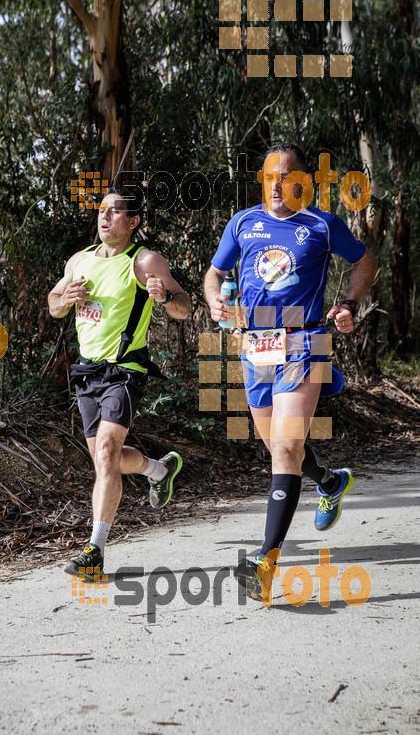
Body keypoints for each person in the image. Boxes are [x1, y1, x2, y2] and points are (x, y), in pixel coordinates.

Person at [204, 143, 378, 600]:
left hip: (306, 342)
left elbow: (366, 261)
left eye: (286, 177)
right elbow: (214, 273)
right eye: (268, 178)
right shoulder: (242, 223)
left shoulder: (321, 224)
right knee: (283, 451)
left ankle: (265, 561)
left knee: (285, 446)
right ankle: (330, 481)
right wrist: (215, 300)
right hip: (255, 348)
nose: (276, 185)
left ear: (303, 181)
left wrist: (349, 305)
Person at [48, 187, 189, 577]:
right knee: (105, 459)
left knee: (108, 450)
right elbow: (53, 304)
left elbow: (184, 307)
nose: (104, 217)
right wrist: (65, 299)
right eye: (101, 210)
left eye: (114, 212)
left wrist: (163, 298)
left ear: (133, 221)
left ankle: (94, 550)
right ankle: (158, 470)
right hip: (87, 372)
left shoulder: (143, 261)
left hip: (124, 370)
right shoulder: (80, 261)